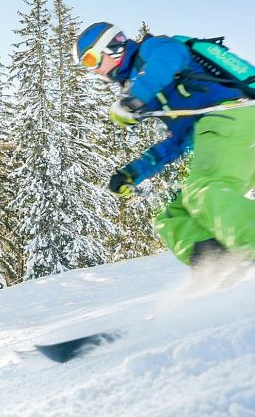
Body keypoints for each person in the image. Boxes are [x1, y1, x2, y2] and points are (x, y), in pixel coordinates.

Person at [73, 21, 255, 266]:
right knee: (173, 216)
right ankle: (218, 268)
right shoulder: (148, 86)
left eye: (90, 60)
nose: (92, 70)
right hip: (219, 132)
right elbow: (176, 143)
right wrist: (132, 173)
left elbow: (171, 57)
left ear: (110, 47)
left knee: (205, 189)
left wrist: (134, 101)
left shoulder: (152, 50)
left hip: (234, 116)